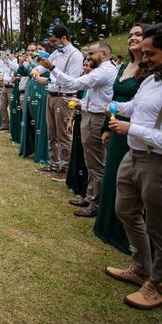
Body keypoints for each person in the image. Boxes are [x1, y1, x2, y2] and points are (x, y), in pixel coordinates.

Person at [106, 23, 162, 310]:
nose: (144, 59)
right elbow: (137, 107)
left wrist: (133, 129)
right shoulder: (153, 79)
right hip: (135, 157)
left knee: (161, 228)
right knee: (125, 210)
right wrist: (116, 107)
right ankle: (141, 268)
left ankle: (160, 285)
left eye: (150, 53)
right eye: (143, 53)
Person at [39, 42, 117, 206]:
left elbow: (74, 84)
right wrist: (81, 102)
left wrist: (53, 68)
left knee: (96, 164)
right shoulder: (102, 70)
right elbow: (95, 96)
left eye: (91, 53)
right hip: (90, 115)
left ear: (104, 54)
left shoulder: (106, 71)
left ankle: (96, 204)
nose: (88, 57)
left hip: (97, 119)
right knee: (90, 162)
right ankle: (90, 197)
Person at [94, 25, 149, 253]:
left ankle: (125, 232)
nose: (132, 38)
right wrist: (107, 127)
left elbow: (146, 105)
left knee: (133, 183)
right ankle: (106, 225)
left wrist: (131, 126)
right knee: (113, 175)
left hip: (135, 128)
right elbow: (115, 97)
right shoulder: (124, 66)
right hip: (117, 125)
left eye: (138, 34)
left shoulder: (150, 69)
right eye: (130, 35)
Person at [34, 25, 84, 178]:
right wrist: (35, 69)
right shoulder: (56, 53)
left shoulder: (75, 55)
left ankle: (66, 169)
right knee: (52, 133)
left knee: (64, 135)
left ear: (63, 38)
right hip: (51, 95)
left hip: (64, 98)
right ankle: (53, 164)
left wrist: (52, 68)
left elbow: (72, 81)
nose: (53, 44)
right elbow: (43, 67)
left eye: (54, 41)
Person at [0, 49, 18, 132]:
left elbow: (14, 78)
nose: (6, 56)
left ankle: (12, 126)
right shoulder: (5, 63)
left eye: (8, 54)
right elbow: (4, 73)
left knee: (12, 107)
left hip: (12, 87)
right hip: (5, 86)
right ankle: (5, 124)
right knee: (2, 106)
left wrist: (3, 78)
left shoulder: (16, 63)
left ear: (13, 54)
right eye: (6, 55)